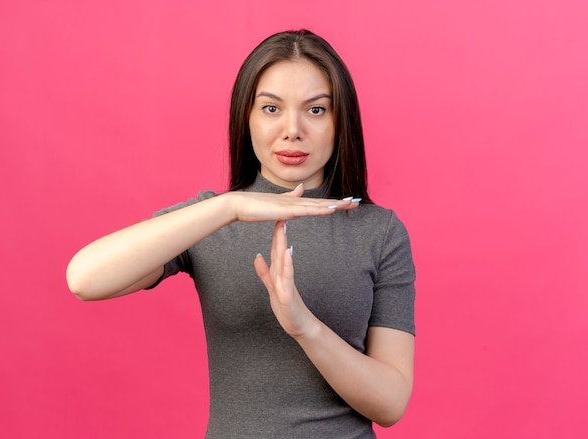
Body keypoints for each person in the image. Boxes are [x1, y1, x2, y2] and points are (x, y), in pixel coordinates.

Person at [67, 29, 416, 439]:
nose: (292, 129)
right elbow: (84, 279)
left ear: (342, 121)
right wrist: (230, 207)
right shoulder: (211, 222)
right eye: (271, 108)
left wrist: (306, 327)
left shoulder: (379, 232)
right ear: (245, 117)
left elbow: (391, 404)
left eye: (316, 110)